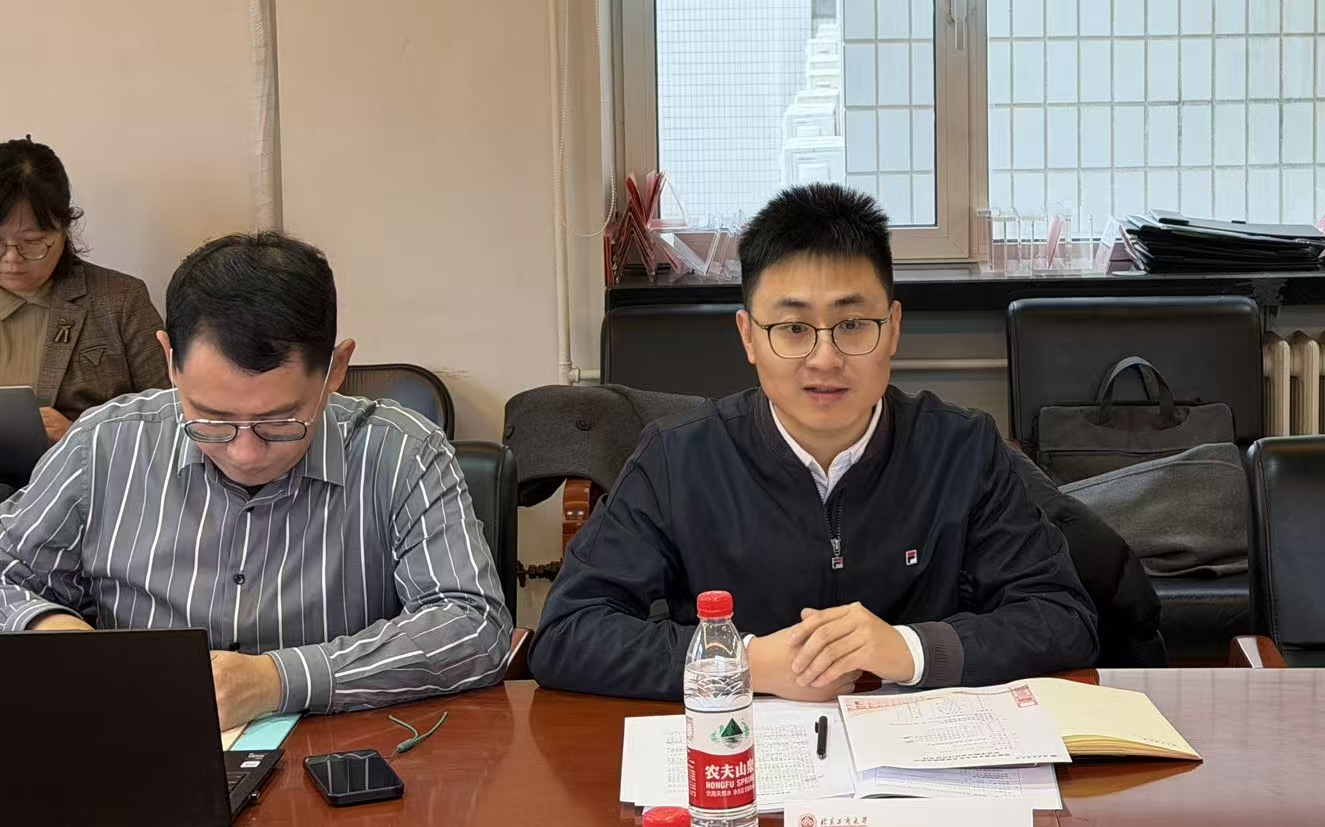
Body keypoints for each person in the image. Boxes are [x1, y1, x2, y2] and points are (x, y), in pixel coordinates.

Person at [532, 184, 1098, 700]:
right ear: (748, 337)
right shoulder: (677, 459)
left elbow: (1062, 615)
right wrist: (743, 663)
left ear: (894, 328)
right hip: (742, 750)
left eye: (852, 325)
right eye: (794, 328)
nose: (824, 359)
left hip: (920, 753)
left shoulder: (961, 450)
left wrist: (911, 649)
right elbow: (568, 632)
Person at [0, 232, 512, 728]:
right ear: (170, 361)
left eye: (280, 422)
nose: (245, 453)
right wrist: (53, 631)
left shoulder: (401, 452)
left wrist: (280, 680)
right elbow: (8, 575)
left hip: (337, 751)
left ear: (335, 370)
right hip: (137, 745)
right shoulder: (104, 445)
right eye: (212, 418)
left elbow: (473, 626)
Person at [0, 137, 168, 443]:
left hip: (90, 470)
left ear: (64, 229)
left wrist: (79, 435)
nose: (12, 258)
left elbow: (170, 418)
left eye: (32, 242)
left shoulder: (121, 300)